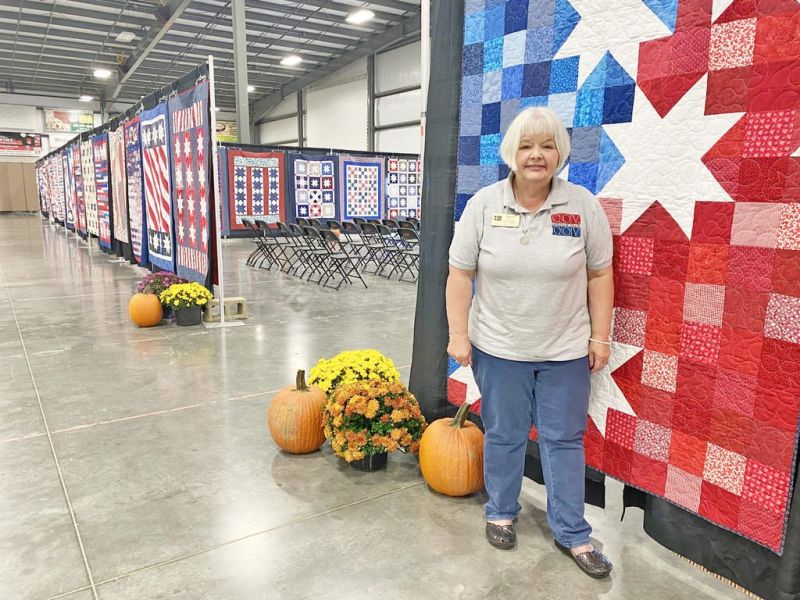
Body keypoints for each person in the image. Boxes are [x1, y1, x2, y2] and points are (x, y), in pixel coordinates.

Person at [446, 107, 614, 579]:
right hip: (498, 349)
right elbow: (460, 274)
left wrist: (600, 336)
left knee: (564, 440)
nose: (536, 155)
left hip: (565, 352)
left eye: (546, 145)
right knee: (504, 434)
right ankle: (500, 510)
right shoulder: (483, 204)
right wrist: (459, 335)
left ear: (559, 152)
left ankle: (573, 533)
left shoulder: (583, 206)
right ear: (511, 153)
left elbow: (600, 274)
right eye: (526, 146)